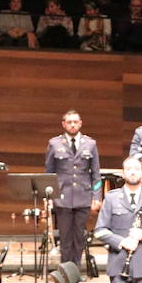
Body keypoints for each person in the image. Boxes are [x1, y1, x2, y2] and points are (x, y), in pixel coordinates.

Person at [44, 110, 101, 269]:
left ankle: (76, 270)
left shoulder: (90, 144)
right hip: (62, 197)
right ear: (64, 124)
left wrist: (96, 197)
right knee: (65, 237)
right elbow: (49, 173)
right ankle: (65, 270)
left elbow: (96, 174)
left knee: (79, 236)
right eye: (69, 122)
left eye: (75, 122)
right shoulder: (54, 143)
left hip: (83, 196)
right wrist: (48, 198)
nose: (73, 124)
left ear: (80, 123)